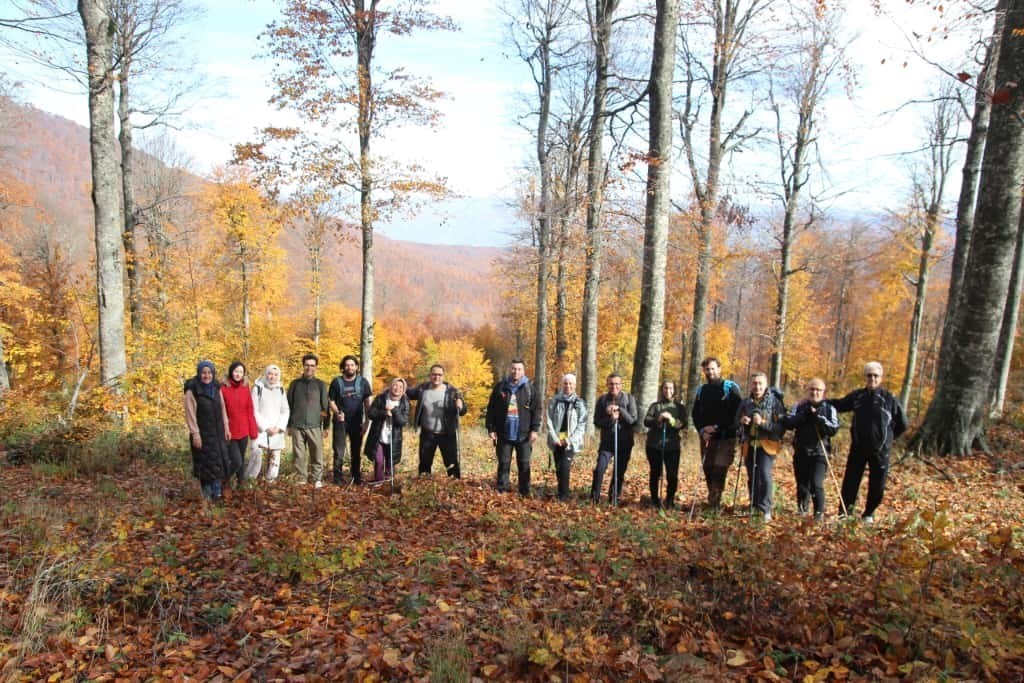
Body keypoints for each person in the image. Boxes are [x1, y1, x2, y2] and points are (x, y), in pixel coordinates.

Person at [831, 362, 908, 523]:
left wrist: (888, 439)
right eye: (869, 375)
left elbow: (903, 424)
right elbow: (840, 404)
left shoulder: (889, 398)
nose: (872, 378)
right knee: (850, 481)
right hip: (858, 447)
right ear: (865, 377)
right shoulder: (858, 396)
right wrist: (819, 402)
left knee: (877, 483)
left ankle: (869, 513)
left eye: (875, 376)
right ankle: (845, 512)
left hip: (880, 450)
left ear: (881, 377)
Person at [782, 377, 840, 520]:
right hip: (801, 450)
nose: (815, 392)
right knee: (802, 484)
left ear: (823, 392)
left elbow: (833, 429)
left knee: (816, 483)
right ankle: (802, 510)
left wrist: (817, 417)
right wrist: (804, 415)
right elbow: (789, 423)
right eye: (812, 389)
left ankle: (818, 513)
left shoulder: (829, 408)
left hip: (820, 452)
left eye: (818, 390)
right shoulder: (799, 406)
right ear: (807, 391)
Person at [691, 357, 742, 510]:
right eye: (707, 369)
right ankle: (712, 499)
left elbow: (737, 414)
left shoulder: (730, 388)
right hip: (707, 437)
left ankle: (715, 502)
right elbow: (695, 414)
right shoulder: (702, 390)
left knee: (720, 468)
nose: (710, 372)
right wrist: (702, 430)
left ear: (719, 369)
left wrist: (717, 427)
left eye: (713, 368)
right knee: (708, 468)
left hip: (726, 437)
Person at [486, 359, 541, 496]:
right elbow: (491, 409)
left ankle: (524, 492)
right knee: (504, 463)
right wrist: (491, 429)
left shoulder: (530, 389)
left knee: (524, 464)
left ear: (523, 371)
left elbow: (537, 410)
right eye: (514, 369)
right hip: (504, 433)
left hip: (524, 434)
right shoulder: (500, 387)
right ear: (510, 370)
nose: (516, 371)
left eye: (519, 369)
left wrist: (534, 430)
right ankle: (502, 489)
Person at [735, 372, 786, 520]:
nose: (757, 387)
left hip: (768, 444)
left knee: (764, 474)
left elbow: (781, 428)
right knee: (752, 475)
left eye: (760, 384)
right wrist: (742, 422)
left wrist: (763, 423)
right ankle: (754, 505)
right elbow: (735, 422)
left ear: (766, 385)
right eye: (754, 383)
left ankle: (765, 508)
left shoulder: (775, 403)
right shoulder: (745, 403)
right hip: (749, 443)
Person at [406, 364, 467, 478]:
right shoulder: (423, 389)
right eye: (434, 374)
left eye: (439, 375)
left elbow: (462, 411)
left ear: (443, 376)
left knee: (452, 463)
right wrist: (396, 387)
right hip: (427, 433)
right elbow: (407, 392)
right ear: (430, 375)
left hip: (447, 434)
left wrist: (461, 405)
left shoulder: (451, 391)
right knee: (425, 463)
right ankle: (424, 484)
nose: (436, 377)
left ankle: (455, 484)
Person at [183, 360, 230, 503]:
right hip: (202, 434)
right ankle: (207, 496)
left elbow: (222, 407)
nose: (207, 375)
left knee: (218, 463)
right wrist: (195, 434)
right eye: (204, 373)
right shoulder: (192, 390)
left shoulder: (216, 387)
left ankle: (217, 493)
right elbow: (190, 414)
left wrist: (226, 427)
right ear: (199, 373)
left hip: (218, 433)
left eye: (209, 372)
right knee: (204, 465)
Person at [590, 373, 639, 504]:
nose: (614, 386)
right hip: (607, 442)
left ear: (621, 385)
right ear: (607, 384)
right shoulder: (602, 400)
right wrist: (610, 418)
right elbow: (597, 422)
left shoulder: (629, 398)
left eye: (617, 384)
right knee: (599, 469)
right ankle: (594, 498)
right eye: (611, 384)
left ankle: (614, 498)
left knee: (619, 472)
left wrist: (620, 410)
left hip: (625, 441)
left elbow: (633, 420)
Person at [328, 355, 373, 485]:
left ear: (356, 366)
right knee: (339, 451)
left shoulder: (363, 382)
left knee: (356, 451)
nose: (350, 367)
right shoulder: (336, 382)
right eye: (347, 365)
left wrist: (367, 422)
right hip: (340, 422)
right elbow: (331, 401)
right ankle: (337, 478)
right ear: (343, 367)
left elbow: (367, 403)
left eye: (352, 365)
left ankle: (356, 477)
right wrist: (337, 413)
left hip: (357, 422)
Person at [643, 380, 687, 509]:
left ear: (674, 390)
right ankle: (654, 499)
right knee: (655, 473)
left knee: (672, 475)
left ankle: (670, 500)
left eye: (671, 388)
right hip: (654, 445)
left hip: (672, 446)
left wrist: (671, 420)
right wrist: (659, 419)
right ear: (662, 390)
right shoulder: (655, 406)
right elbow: (646, 421)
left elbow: (682, 424)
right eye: (665, 388)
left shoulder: (679, 407)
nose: (668, 391)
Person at [287, 353, 330, 487]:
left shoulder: (320, 385)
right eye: (307, 365)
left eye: (312, 365)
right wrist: (288, 425)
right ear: (303, 366)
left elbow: (325, 407)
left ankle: (317, 478)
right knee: (299, 455)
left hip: (314, 425)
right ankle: (301, 479)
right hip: (297, 425)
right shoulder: (295, 384)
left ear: (316, 367)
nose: (309, 368)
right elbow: (289, 405)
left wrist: (326, 426)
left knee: (316, 453)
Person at [545, 373, 588, 502]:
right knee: (558, 466)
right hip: (556, 439)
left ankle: (564, 496)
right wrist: (555, 438)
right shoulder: (555, 400)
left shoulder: (579, 403)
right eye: (565, 383)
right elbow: (549, 420)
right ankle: (561, 491)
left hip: (570, 442)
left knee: (564, 466)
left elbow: (582, 424)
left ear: (574, 385)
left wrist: (569, 440)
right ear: (561, 385)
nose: (568, 386)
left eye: (570, 384)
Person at [247, 364, 290, 483]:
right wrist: (265, 427)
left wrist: (279, 427)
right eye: (270, 374)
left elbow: (285, 410)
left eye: (275, 375)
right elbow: (254, 410)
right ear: (266, 374)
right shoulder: (258, 388)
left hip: (276, 429)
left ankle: (270, 482)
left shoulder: (281, 389)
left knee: (275, 457)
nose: (272, 377)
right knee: (256, 455)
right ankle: (250, 481)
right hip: (261, 429)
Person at [363, 378, 410, 483]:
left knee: (390, 462)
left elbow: (403, 422)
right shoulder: (381, 398)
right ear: (391, 386)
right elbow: (371, 413)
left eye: (401, 387)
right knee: (379, 461)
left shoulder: (404, 402)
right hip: (378, 436)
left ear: (403, 390)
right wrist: (384, 413)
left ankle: (389, 482)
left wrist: (394, 410)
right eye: (395, 385)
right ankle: (379, 481)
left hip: (394, 438)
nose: (397, 388)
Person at [221, 360, 258, 490]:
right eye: (236, 371)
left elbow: (250, 410)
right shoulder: (223, 388)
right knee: (236, 461)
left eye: (241, 372)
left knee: (241, 459)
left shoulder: (245, 388)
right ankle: (223, 480)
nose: (238, 374)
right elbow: (221, 411)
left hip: (244, 430)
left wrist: (253, 431)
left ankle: (240, 485)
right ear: (231, 372)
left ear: (244, 374)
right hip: (229, 431)